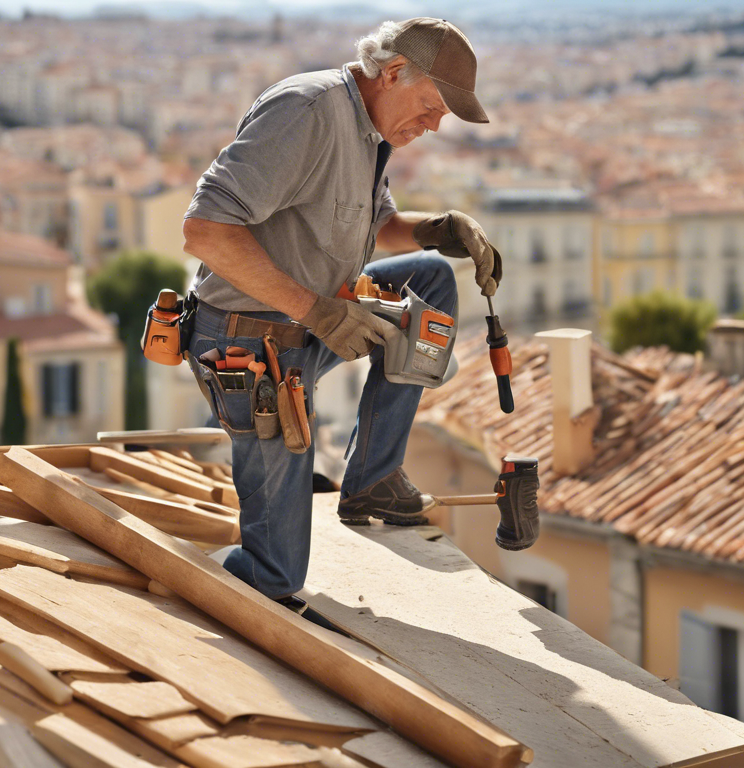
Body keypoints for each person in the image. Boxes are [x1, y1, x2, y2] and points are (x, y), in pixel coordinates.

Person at [181, 17, 503, 605]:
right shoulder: (307, 111)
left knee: (428, 278)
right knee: (276, 574)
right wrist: (319, 313)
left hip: (307, 324)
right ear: (395, 72)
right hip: (248, 351)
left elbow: (373, 224)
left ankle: (372, 479)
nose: (434, 125)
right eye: (432, 106)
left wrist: (435, 229)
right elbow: (205, 231)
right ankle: (189, 586)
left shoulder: (368, 129)